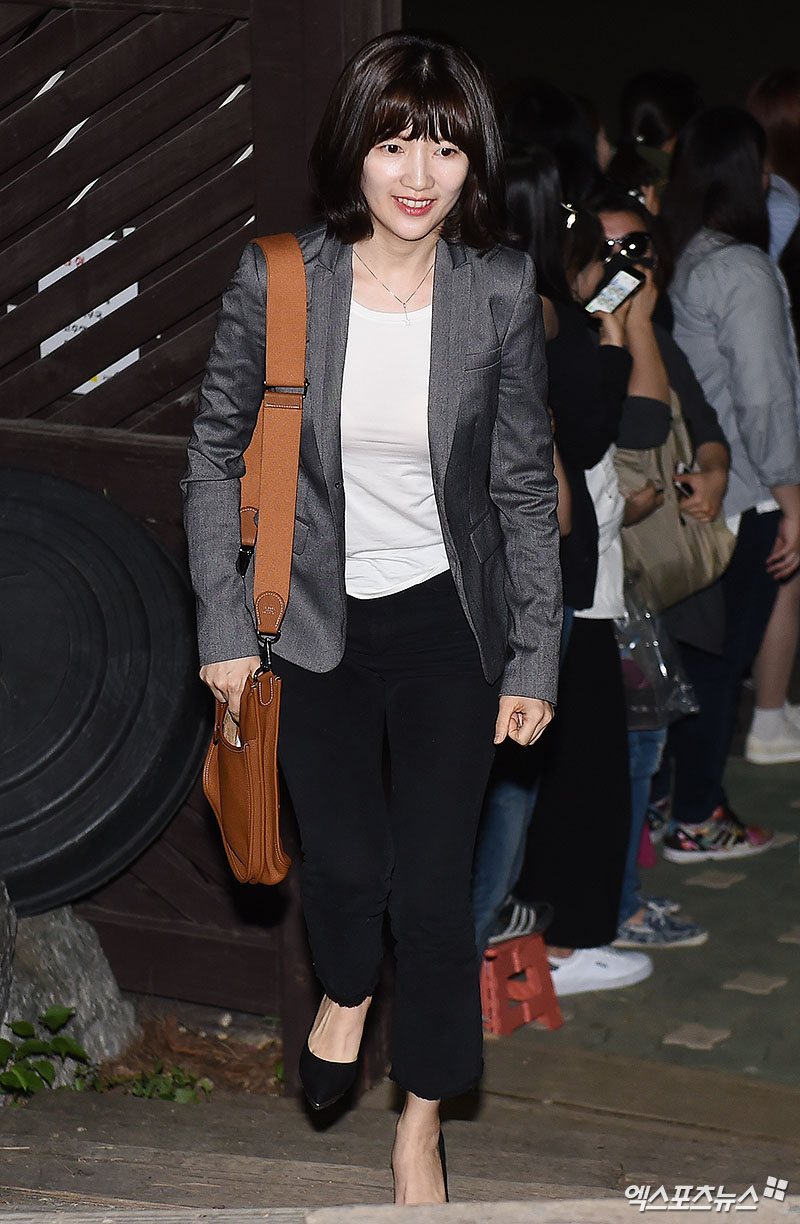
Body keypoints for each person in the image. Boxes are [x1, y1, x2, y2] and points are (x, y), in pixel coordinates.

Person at [182, 32, 562, 1206]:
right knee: (344, 874)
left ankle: (422, 1119)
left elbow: (516, 488)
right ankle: (346, 990)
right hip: (311, 619)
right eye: (395, 140)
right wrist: (221, 628)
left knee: (435, 896)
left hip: (448, 624)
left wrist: (534, 654)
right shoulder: (284, 277)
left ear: (471, 164)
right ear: (355, 149)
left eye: (444, 147)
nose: (416, 170)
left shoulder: (498, 292)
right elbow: (212, 455)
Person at [660, 106, 800, 861]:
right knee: (720, 660)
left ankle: (675, 804)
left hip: (698, 485)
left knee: (691, 659)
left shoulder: (684, 250)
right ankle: (697, 814)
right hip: (741, 489)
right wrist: (793, 493)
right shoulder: (741, 266)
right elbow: (765, 391)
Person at [590, 189, 728, 947]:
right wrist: (628, 321)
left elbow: (702, 427)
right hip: (604, 581)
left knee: (646, 746)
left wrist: (711, 471)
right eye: (609, 252)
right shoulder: (580, 338)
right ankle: (613, 910)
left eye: (639, 250)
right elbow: (638, 424)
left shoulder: (657, 333)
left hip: (656, 576)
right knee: (626, 751)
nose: (626, 266)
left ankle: (623, 898)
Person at [744, 69, 800, 764]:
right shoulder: (778, 204)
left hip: (781, 386)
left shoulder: (778, 199)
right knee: (786, 558)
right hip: (780, 392)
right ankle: (767, 716)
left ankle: (774, 708)